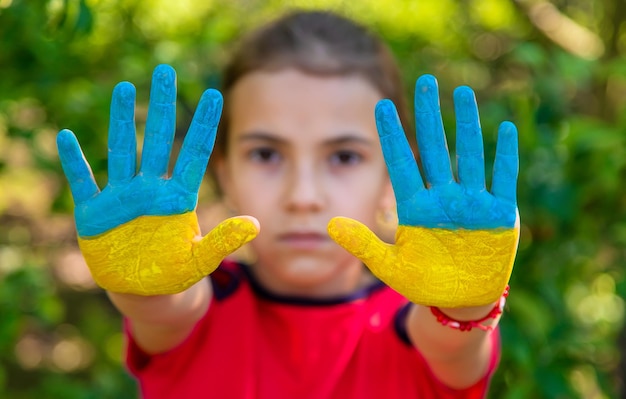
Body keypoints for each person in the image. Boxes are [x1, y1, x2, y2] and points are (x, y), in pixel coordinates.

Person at [56, 9, 519, 399]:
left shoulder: (413, 319)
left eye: (343, 156)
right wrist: (144, 283)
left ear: (393, 178)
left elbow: (453, 347)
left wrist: (464, 305)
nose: (302, 197)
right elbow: (165, 307)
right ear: (224, 172)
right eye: (266, 154)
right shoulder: (202, 304)